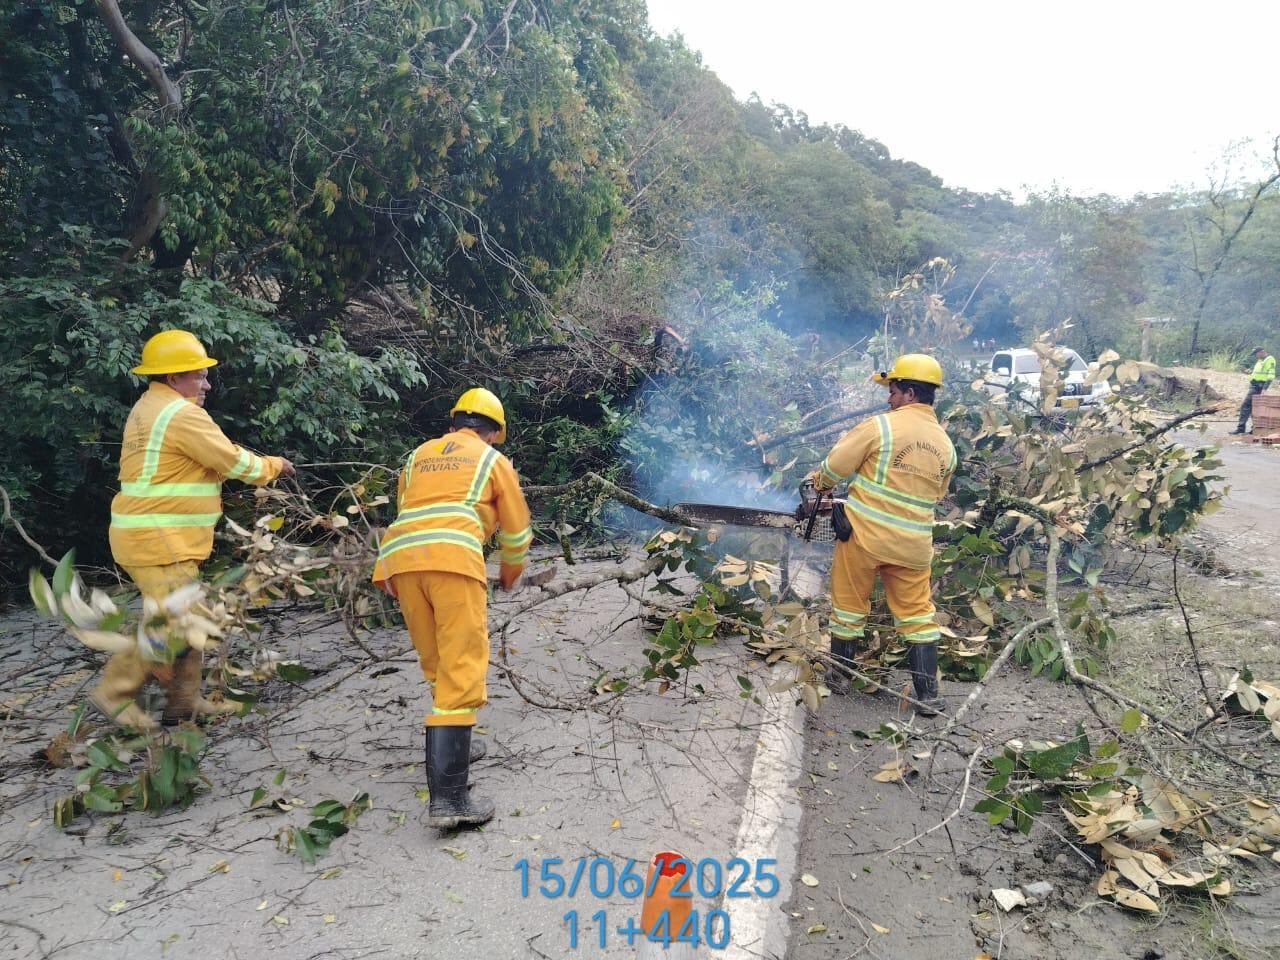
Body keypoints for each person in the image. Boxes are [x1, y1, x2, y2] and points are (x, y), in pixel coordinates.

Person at [96, 330, 295, 731]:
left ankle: (183, 703)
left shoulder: (150, 408)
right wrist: (274, 466)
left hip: (155, 538)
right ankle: (113, 694)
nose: (206, 385)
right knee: (171, 624)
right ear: (173, 378)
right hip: (158, 539)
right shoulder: (181, 415)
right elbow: (233, 462)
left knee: (192, 618)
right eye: (199, 376)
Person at [372, 387, 532, 829]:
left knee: (438, 661)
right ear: (493, 433)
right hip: (453, 558)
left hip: (401, 560)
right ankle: (450, 801)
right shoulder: (492, 460)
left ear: (453, 425)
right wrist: (510, 572)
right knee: (462, 665)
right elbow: (517, 528)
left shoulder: (417, 456)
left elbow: (408, 509)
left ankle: (458, 747)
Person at [810, 354, 957, 714]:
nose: (889, 399)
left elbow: (836, 466)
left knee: (848, 606)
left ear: (909, 393)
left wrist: (821, 484)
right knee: (918, 615)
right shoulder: (946, 446)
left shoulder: (881, 427)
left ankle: (840, 676)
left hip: (864, 538)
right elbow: (936, 494)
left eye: (892, 392)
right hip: (914, 547)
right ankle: (928, 696)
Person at [1230, 346, 1276, 435]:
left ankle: (1241, 428)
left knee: (1246, 406)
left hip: (1259, 386)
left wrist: (1264, 389)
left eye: (1256, 354)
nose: (1255, 356)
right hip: (1255, 385)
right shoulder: (1260, 360)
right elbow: (1259, 373)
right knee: (1254, 408)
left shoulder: (1270, 360)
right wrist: (1249, 372)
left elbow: (1270, 376)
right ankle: (1253, 429)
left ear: (1261, 352)